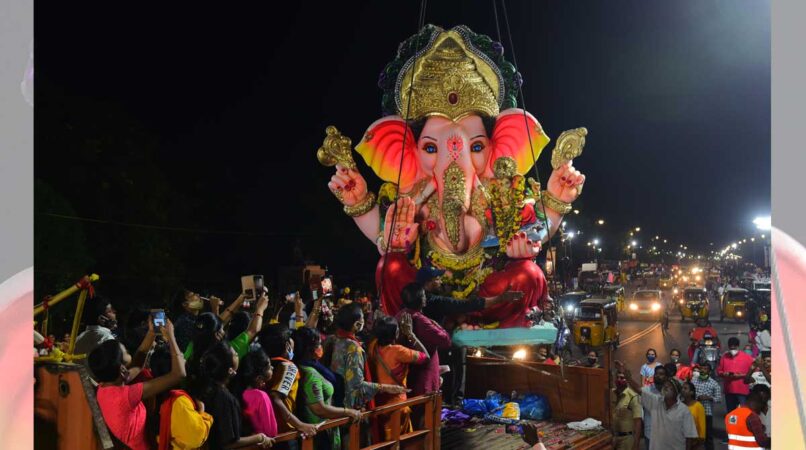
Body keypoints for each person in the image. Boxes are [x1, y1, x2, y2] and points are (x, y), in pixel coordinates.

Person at [88, 320, 185, 450]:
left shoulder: (105, 387)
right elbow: (178, 374)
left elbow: (138, 365)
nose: (130, 353)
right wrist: (172, 337)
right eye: (127, 352)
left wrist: (152, 333)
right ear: (122, 370)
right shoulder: (126, 395)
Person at [324, 303, 404, 444]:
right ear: (356, 324)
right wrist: (384, 387)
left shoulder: (333, 340)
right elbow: (356, 386)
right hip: (350, 411)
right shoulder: (353, 348)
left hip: (335, 406)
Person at [191, 342, 274, 449]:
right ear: (230, 370)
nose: (237, 354)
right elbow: (228, 443)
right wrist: (260, 438)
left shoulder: (203, 388)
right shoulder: (224, 398)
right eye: (235, 354)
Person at [293, 326, 362, 449]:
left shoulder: (308, 365)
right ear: (310, 349)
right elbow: (319, 409)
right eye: (319, 344)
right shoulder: (310, 374)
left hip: (324, 428)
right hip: (319, 431)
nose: (321, 347)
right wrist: (348, 412)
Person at [368, 314, 429, 440]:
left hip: (379, 403)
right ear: (396, 333)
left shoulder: (372, 346)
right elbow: (425, 357)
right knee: (400, 441)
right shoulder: (398, 351)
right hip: (397, 405)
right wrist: (411, 335)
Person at [257, 324, 319, 441]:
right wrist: (300, 425)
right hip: (284, 432)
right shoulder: (288, 367)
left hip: (266, 430)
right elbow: (276, 398)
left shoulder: (265, 365)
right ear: (287, 345)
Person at [149, 344, 213, 450]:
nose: (184, 357)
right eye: (180, 356)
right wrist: (201, 411)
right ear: (174, 370)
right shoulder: (179, 402)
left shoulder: (156, 391)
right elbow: (197, 437)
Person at [621, 362, 698, 450]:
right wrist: (627, 377)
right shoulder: (656, 402)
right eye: (665, 386)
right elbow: (639, 390)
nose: (665, 388)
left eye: (669, 387)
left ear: (676, 391)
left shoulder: (684, 411)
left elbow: (689, 436)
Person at [395, 283, 452, 398]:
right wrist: (436, 325)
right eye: (424, 295)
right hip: (423, 377)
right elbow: (446, 341)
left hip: (408, 373)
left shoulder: (400, 315)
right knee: (424, 412)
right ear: (421, 300)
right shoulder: (422, 321)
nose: (425, 298)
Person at [416, 266, 523, 325]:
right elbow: (464, 304)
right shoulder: (433, 301)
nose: (440, 282)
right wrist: (500, 298)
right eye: (437, 279)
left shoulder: (416, 295)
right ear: (428, 283)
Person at [229, 350, 278, 439]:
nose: (272, 368)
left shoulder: (237, 393)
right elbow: (271, 432)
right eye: (269, 367)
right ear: (259, 378)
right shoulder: (261, 396)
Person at [717, 337, 755, 413]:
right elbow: (719, 371)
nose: (732, 350)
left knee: (743, 412)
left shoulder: (747, 357)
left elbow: (754, 371)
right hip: (729, 390)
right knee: (731, 413)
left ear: (738, 346)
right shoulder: (724, 357)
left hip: (742, 390)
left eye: (734, 347)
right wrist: (724, 374)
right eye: (731, 348)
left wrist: (742, 375)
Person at [75, 296, 118, 361]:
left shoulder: (78, 338)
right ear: (101, 319)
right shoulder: (106, 338)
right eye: (110, 311)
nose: (115, 313)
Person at [691, 363, 722, 450]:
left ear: (709, 371)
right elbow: (689, 392)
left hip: (707, 412)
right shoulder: (694, 380)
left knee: (708, 435)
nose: (703, 370)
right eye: (701, 368)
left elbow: (719, 399)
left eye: (705, 369)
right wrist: (697, 397)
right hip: (693, 411)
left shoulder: (714, 383)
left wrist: (709, 398)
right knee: (693, 434)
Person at [611, 370, 642, 450]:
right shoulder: (612, 394)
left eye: (622, 378)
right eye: (617, 377)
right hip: (613, 438)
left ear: (627, 380)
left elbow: (638, 422)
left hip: (627, 440)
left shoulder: (633, 397)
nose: (619, 380)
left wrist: (636, 445)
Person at [681, 381, 706, 450]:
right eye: (682, 388)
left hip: (694, 442)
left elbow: (701, 426)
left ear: (691, 392)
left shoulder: (698, 406)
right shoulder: (679, 405)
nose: (682, 390)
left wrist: (700, 443)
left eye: (685, 388)